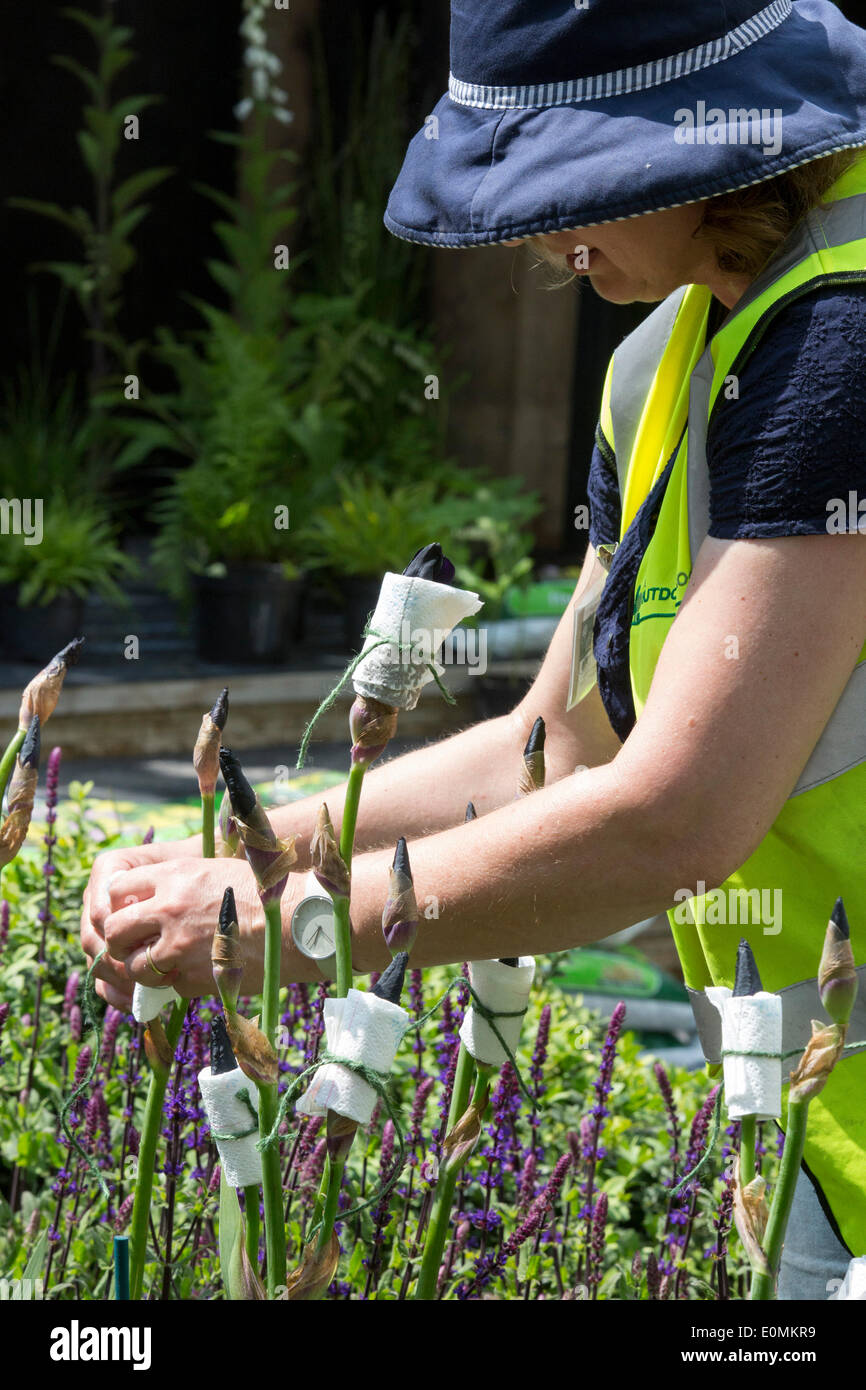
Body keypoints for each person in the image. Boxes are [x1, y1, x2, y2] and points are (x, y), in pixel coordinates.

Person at [82, 0, 866, 1298]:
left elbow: (674, 817)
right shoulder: (660, 363)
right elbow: (550, 748)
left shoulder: (840, 341)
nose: (541, 235)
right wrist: (258, 848)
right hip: (809, 1150)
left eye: (571, 173)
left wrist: (282, 935)